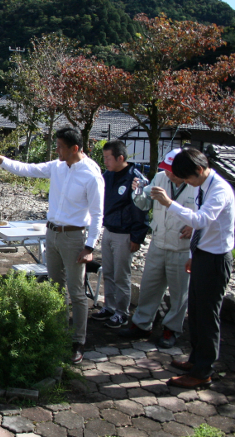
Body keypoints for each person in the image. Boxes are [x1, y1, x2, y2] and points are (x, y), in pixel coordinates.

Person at [0, 126, 104, 364]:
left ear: (75, 148)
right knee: (55, 287)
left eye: (60, 146)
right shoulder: (58, 166)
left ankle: (78, 341)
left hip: (74, 238)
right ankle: (59, 334)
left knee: (77, 292)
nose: (57, 150)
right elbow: (29, 169)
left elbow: (97, 214)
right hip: (51, 234)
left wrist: (90, 247)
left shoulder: (91, 174)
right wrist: (2, 161)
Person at [149, 147, 235, 389]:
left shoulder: (219, 189)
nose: (186, 183)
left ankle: (203, 372)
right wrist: (191, 254)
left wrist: (168, 202)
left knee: (208, 317)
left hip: (216, 260)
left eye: (187, 178)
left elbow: (200, 220)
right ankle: (196, 360)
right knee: (195, 312)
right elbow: (200, 228)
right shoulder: (203, 185)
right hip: (202, 255)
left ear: (199, 170)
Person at [118, 148, 195, 348]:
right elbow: (144, 205)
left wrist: (195, 226)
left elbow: (207, 215)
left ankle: (172, 329)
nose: (169, 173)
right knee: (150, 286)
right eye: (167, 169)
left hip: (182, 246)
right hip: (159, 241)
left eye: (173, 170)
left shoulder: (196, 185)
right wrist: (137, 191)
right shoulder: (160, 178)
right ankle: (142, 323)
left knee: (179, 292)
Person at [90, 140, 148, 328]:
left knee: (122, 275)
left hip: (125, 234)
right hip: (109, 230)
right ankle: (110, 307)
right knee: (108, 272)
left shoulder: (135, 179)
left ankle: (122, 313)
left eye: (108, 158)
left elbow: (140, 209)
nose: (105, 161)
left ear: (120, 158)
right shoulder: (108, 175)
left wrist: (137, 237)